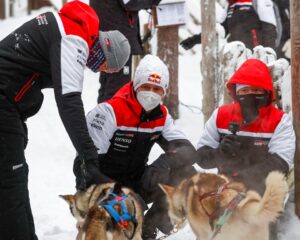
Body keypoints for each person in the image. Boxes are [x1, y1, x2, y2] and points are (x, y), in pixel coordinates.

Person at [0, 1, 130, 239]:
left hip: (8, 105)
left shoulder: (70, 27)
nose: (98, 70)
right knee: (11, 180)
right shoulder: (74, 38)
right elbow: (69, 101)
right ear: (105, 52)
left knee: (14, 177)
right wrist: (89, 159)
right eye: (105, 67)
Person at [74, 54, 197, 240]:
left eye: (157, 88)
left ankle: (151, 224)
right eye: (146, 87)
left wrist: (165, 162)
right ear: (135, 86)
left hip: (135, 182)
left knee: (186, 172)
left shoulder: (161, 116)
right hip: (100, 189)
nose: (150, 93)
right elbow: (84, 169)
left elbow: (188, 151)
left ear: (164, 91)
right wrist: (120, 196)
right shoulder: (109, 112)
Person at [196, 58, 295, 195]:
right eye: (244, 90)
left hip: (264, 193)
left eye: (256, 90)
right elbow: (201, 158)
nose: (250, 95)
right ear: (236, 93)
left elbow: (281, 163)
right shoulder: (221, 115)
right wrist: (219, 153)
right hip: (225, 192)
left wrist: (242, 179)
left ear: (266, 92)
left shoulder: (279, 120)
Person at [90, 0, 161, 103]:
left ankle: (102, 116)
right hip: (117, 40)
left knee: (107, 85)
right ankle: (112, 117)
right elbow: (130, 3)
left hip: (107, 37)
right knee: (118, 88)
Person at [181, 0, 279, 51]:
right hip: (236, 56)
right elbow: (219, 31)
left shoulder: (259, 1)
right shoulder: (231, 6)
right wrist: (193, 40)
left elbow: (270, 29)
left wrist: (267, 56)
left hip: (256, 57)